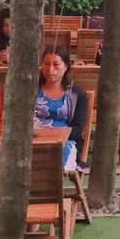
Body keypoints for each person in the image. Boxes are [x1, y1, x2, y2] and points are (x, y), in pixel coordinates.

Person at [34, 45, 90, 173]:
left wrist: (52, 135)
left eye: (56, 64)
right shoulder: (32, 90)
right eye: (46, 64)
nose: (50, 69)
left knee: (61, 149)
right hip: (34, 139)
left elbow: (77, 130)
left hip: (65, 141)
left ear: (65, 67)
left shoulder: (77, 93)